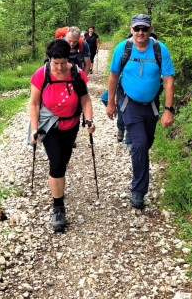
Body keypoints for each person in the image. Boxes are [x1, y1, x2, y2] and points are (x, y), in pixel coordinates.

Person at [106, 13, 175, 209]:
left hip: (151, 105)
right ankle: (138, 190)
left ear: (150, 30)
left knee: (146, 143)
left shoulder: (160, 50)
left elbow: (169, 80)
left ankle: (139, 166)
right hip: (129, 103)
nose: (140, 32)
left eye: (144, 28)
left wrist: (169, 110)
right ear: (131, 30)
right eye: (137, 28)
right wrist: (111, 103)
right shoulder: (123, 48)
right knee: (140, 143)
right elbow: (113, 76)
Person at [29, 39, 96, 231]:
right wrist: (35, 129)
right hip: (49, 125)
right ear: (49, 59)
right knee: (57, 164)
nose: (58, 67)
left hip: (72, 124)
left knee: (64, 160)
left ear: (69, 59)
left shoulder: (77, 73)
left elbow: (85, 100)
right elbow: (33, 103)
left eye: (62, 63)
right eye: (54, 63)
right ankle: (58, 207)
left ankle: (58, 182)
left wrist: (89, 119)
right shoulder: (41, 74)